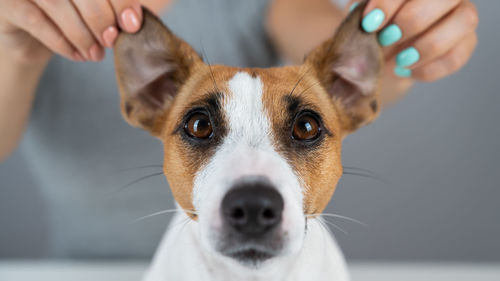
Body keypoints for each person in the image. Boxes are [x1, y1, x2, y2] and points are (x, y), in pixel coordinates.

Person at [0, 0, 478, 258]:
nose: (252, 192)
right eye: (202, 127)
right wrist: (14, 48)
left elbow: (382, 70)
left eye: (306, 127)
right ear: (150, 93)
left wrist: (410, 36)